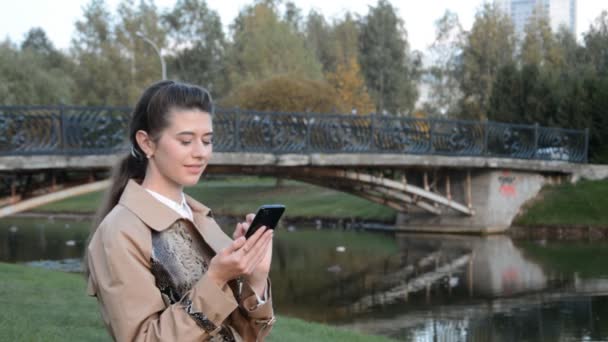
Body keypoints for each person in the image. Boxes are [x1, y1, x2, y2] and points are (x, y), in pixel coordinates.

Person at [85, 80, 275, 342]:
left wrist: (255, 278)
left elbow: (244, 335)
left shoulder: (199, 218)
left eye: (207, 140)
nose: (200, 153)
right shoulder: (120, 232)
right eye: (186, 140)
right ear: (147, 143)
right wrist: (216, 278)